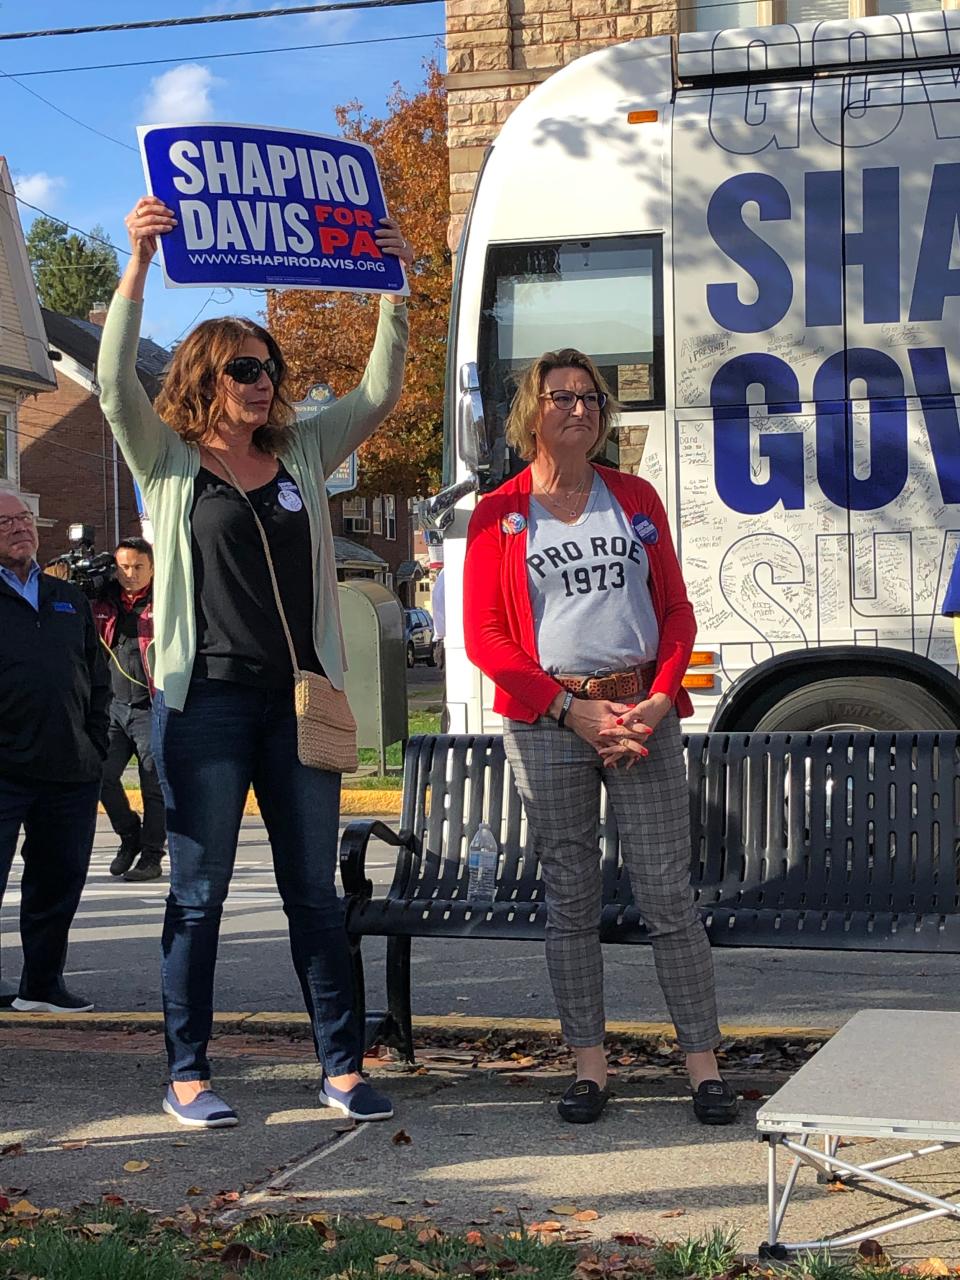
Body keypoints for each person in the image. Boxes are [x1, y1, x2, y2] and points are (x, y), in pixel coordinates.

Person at [98, 195, 412, 1130]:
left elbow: (381, 392)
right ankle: (188, 1073)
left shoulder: (306, 453)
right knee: (197, 896)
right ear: (205, 377)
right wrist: (137, 265)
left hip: (298, 706)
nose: (263, 381)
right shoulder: (168, 463)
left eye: (269, 368)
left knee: (313, 893)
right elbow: (114, 382)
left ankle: (341, 1068)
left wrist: (394, 289)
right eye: (244, 369)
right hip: (203, 710)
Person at [463, 349, 738, 1126]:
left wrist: (659, 697)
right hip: (551, 723)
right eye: (561, 397)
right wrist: (565, 709)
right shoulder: (499, 514)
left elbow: (676, 612)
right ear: (532, 411)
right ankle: (590, 1069)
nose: (578, 409)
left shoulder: (636, 498)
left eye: (590, 398)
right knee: (571, 897)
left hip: (640, 715)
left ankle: (703, 1068)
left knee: (667, 897)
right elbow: (486, 637)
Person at [0, 484, 110, 1013]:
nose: (21, 528)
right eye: (6, 523)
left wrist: (94, 747)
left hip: (69, 769)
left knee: (57, 883)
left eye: (24, 519)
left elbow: (98, 679)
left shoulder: (69, 598)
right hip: (3, 771)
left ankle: (42, 985)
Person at [93, 536, 166, 882]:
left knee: (153, 784)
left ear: (152, 567)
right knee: (100, 775)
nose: (130, 574)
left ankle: (152, 856)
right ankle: (129, 835)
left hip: (150, 706)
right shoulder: (105, 600)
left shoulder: (163, 599)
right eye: (123, 567)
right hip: (113, 707)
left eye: (138, 567)